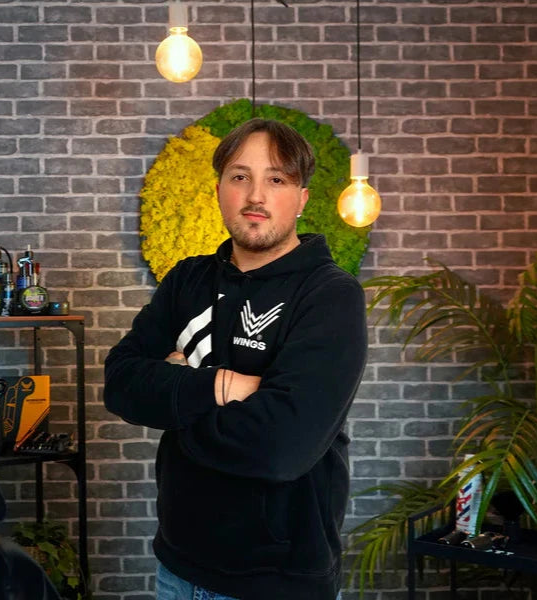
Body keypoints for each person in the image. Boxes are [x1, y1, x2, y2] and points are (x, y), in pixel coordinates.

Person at [103, 118, 368, 600]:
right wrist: (223, 386)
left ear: (302, 198)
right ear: (219, 189)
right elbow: (120, 384)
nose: (256, 196)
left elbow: (283, 447)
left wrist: (175, 403)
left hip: (277, 581)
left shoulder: (330, 295)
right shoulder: (187, 280)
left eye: (277, 179)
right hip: (177, 566)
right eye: (240, 176)